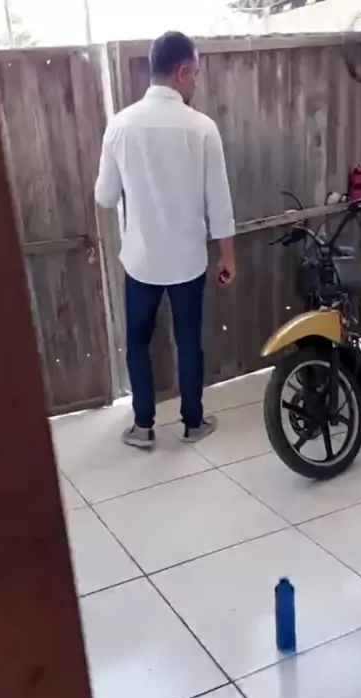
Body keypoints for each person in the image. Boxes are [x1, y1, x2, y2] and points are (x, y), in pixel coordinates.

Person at [95, 31, 236, 450]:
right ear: (182, 71)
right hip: (187, 261)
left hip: (141, 261)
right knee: (188, 341)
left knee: (137, 342)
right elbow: (220, 203)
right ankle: (193, 423)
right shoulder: (202, 128)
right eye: (196, 74)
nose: (197, 82)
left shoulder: (120, 125)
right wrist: (228, 256)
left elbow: (105, 197)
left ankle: (143, 427)